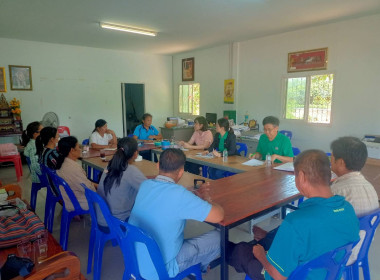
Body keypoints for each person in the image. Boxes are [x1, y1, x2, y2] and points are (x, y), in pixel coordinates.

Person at [228, 150, 360, 280]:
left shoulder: (295, 222)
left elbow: (278, 276)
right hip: (328, 274)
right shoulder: (348, 209)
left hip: (290, 275)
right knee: (273, 236)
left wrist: (261, 255)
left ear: (301, 177)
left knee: (241, 251)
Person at [128, 149, 224, 280]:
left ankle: (198, 265)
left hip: (135, 258)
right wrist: (206, 199)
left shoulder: (145, 185)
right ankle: (200, 266)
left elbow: (165, 194)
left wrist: (190, 195)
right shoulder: (179, 195)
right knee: (219, 237)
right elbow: (218, 216)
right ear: (181, 172)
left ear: (157, 165)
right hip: (160, 268)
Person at [330, 136, 379, 265]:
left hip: (341, 255)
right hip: (362, 249)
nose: (330, 160)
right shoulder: (369, 186)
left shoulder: (337, 191)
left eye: (332, 157)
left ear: (340, 162)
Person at [97, 137, 147, 225]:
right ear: (135, 153)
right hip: (117, 222)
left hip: (102, 217)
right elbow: (149, 190)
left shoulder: (109, 166)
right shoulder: (131, 171)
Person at [56, 136, 97, 212]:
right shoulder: (73, 168)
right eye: (78, 147)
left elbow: (83, 183)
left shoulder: (63, 162)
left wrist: (94, 184)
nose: (80, 149)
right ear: (72, 150)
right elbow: (89, 190)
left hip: (70, 198)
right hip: (79, 202)